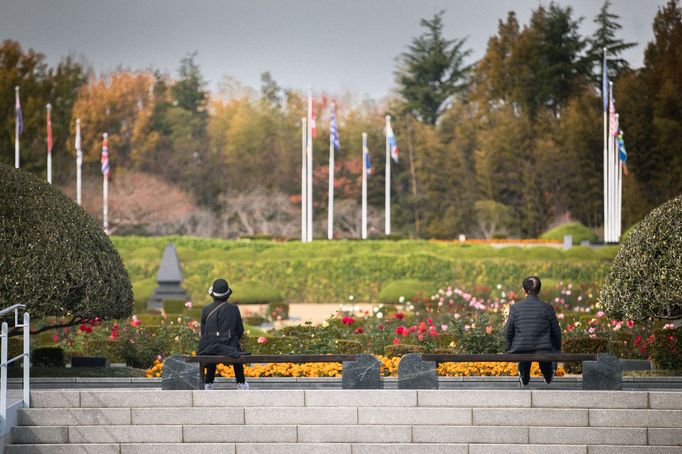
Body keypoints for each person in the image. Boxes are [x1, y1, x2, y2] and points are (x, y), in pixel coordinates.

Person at [504, 276, 562, 387]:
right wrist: (557, 350)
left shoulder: (515, 308)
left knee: (526, 346)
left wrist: (508, 349)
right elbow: (556, 332)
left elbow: (508, 332)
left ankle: (524, 376)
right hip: (543, 349)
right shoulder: (547, 308)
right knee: (543, 350)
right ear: (539, 290)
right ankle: (548, 374)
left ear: (523, 290)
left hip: (520, 348)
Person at [197, 278, 249, 390]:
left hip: (209, 349)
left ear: (213, 294)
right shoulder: (234, 309)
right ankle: (241, 382)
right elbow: (240, 330)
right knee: (235, 347)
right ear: (227, 295)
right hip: (230, 347)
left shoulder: (206, 309)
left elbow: (203, 332)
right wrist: (229, 339)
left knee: (213, 345)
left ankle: (208, 383)